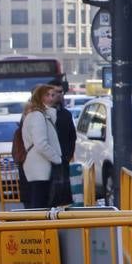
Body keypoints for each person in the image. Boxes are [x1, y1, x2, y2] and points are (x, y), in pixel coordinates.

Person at [19, 84, 64, 209]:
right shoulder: (37, 116)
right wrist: (57, 158)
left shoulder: (38, 114)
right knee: (40, 203)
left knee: (40, 202)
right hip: (40, 165)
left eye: (53, 95)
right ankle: (39, 227)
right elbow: (41, 144)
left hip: (38, 164)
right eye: (47, 95)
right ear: (39, 97)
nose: (51, 98)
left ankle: (40, 227)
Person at [47, 78, 77, 206]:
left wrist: (67, 155)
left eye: (61, 92)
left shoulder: (65, 114)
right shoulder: (41, 113)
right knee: (48, 196)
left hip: (62, 159)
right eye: (55, 92)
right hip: (46, 160)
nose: (59, 95)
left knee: (61, 195)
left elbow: (72, 136)